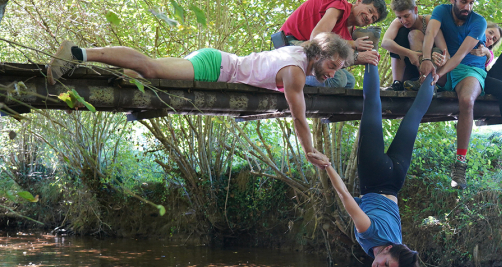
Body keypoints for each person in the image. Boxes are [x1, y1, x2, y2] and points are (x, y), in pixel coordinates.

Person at [46, 33, 352, 168]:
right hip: (215, 67)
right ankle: (77, 53)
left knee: (142, 73)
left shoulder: (299, 52)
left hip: (216, 62)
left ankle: (98, 69)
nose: (330, 74)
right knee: (150, 67)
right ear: (320, 56)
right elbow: (299, 116)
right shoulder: (296, 73)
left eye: (336, 70)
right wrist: (309, 149)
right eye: (331, 66)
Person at [307, 64, 433, 267]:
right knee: (371, 106)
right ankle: (371, 60)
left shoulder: (397, 248)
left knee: (414, 117)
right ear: (388, 249)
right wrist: (328, 166)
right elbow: (345, 199)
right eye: (385, 264)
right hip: (374, 174)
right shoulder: (371, 232)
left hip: (397, 177)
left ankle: (434, 77)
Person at [418, 0, 502, 190]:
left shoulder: (478, 22)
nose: (467, 7)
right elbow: (430, 34)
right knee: (427, 63)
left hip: (469, 69)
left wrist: (440, 73)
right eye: (463, 2)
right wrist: (426, 59)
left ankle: (460, 163)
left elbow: (461, 55)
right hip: (444, 61)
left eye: (471, 3)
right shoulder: (440, 11)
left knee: (467, 99)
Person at [279, 0, 386, 88]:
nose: (369, 17)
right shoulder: (339, 4)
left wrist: (363, 58)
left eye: (373, 18)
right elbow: (317, 38)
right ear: (359, 1)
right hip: (290, 44)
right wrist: (353, 44)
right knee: (338, 80)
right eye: (370, 10)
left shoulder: (349, 33)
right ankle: (286, 75)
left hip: (311, 53)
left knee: (349, 81)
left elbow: (337, 62)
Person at [380, 0, 447, 91]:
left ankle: (425, 80)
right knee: (399, 36)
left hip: (434, 70)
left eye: (406, 16)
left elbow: (445, 52)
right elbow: (385, 42)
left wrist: (438, 58)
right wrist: (410, 53)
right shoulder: (398, 23)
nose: (403, 21)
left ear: (415, 10)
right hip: (410, 72)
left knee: (414, 34)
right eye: (399, 17)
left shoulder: (429, 21)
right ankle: (397, 82)